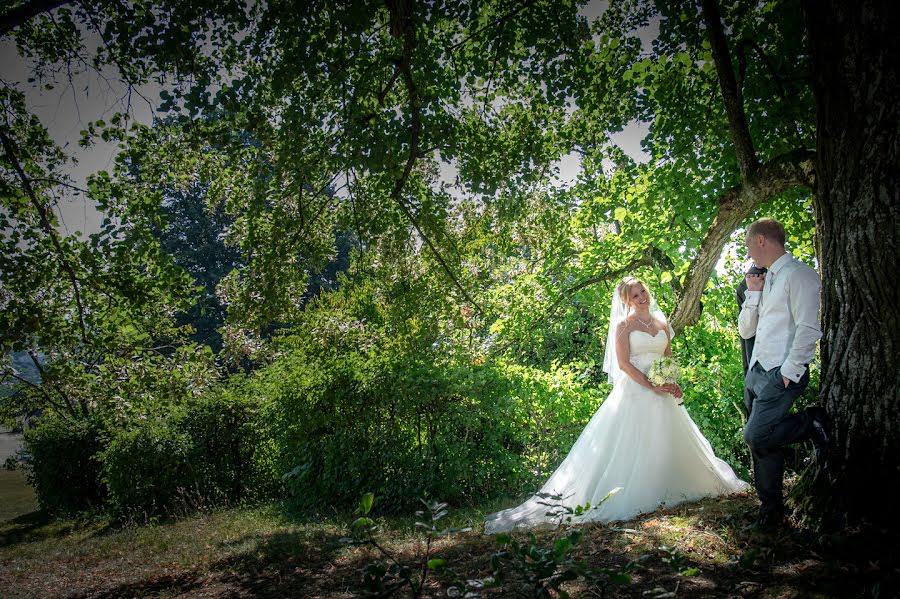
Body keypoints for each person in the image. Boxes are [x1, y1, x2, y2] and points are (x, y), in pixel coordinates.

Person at [484, 276, 748, 534]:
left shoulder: (662, 323)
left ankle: (672, 485)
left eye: (643, 291)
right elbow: (623, 364)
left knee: (667, 439)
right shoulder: (624, 325)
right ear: (627, 300)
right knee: (634, 442)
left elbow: (667, 357)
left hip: (661, 390)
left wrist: (669, 382)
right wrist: (650, 384)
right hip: (635, 390)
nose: (642, 297)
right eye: (635, 295)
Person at [738, 217, 829, 527]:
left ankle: (811, 422)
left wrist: (788, 373)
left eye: (749, 244)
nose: (748, 251)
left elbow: (808, 329)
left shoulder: (799, 275)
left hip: (781, 373)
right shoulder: (767, 279)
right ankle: (771, 511)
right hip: (757, 373)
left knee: (756, 434)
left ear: (762, 240)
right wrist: (752, 293)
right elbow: (746, 329)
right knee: (763, 446)